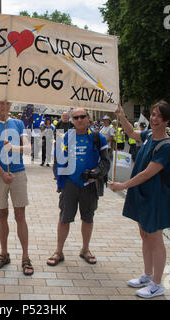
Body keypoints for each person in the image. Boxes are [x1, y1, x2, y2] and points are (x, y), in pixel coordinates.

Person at [109, 101, 170, 299]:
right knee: (145, 234)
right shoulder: (148, 137)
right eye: (153, 114)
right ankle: (147, 275)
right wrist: (121, 115)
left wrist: (123, 185)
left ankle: (157, 285)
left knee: (155, 239)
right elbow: (131, 133)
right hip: (142, 194)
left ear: (166, 121)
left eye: (159, 116)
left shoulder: (166, 146)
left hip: (154, 197)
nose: (154, 119)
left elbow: (147, 173)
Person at [47, 108, 110, 267]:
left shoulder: (97, 138)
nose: (79, 119)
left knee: (88, 218)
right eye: (76, 117)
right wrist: (59, 178)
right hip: (70, 184)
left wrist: (97, 172)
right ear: (72, 120)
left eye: (83, 116)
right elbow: (57, 160)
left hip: (89, 185)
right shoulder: (65, 138)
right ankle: (58, 251)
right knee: (64, 218)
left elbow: (106, 161)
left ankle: (85, 249)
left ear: (88, 119)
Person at [0, 100, 34, 276]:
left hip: (17, 173)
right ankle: (4, 253)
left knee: (20, 215)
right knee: (2, 214)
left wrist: (13, 147)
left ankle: (25, 256)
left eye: (6, 104)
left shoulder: (18, 123)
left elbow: (28, 148)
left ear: (10, 105)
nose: (3, 107)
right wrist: (2, 173)